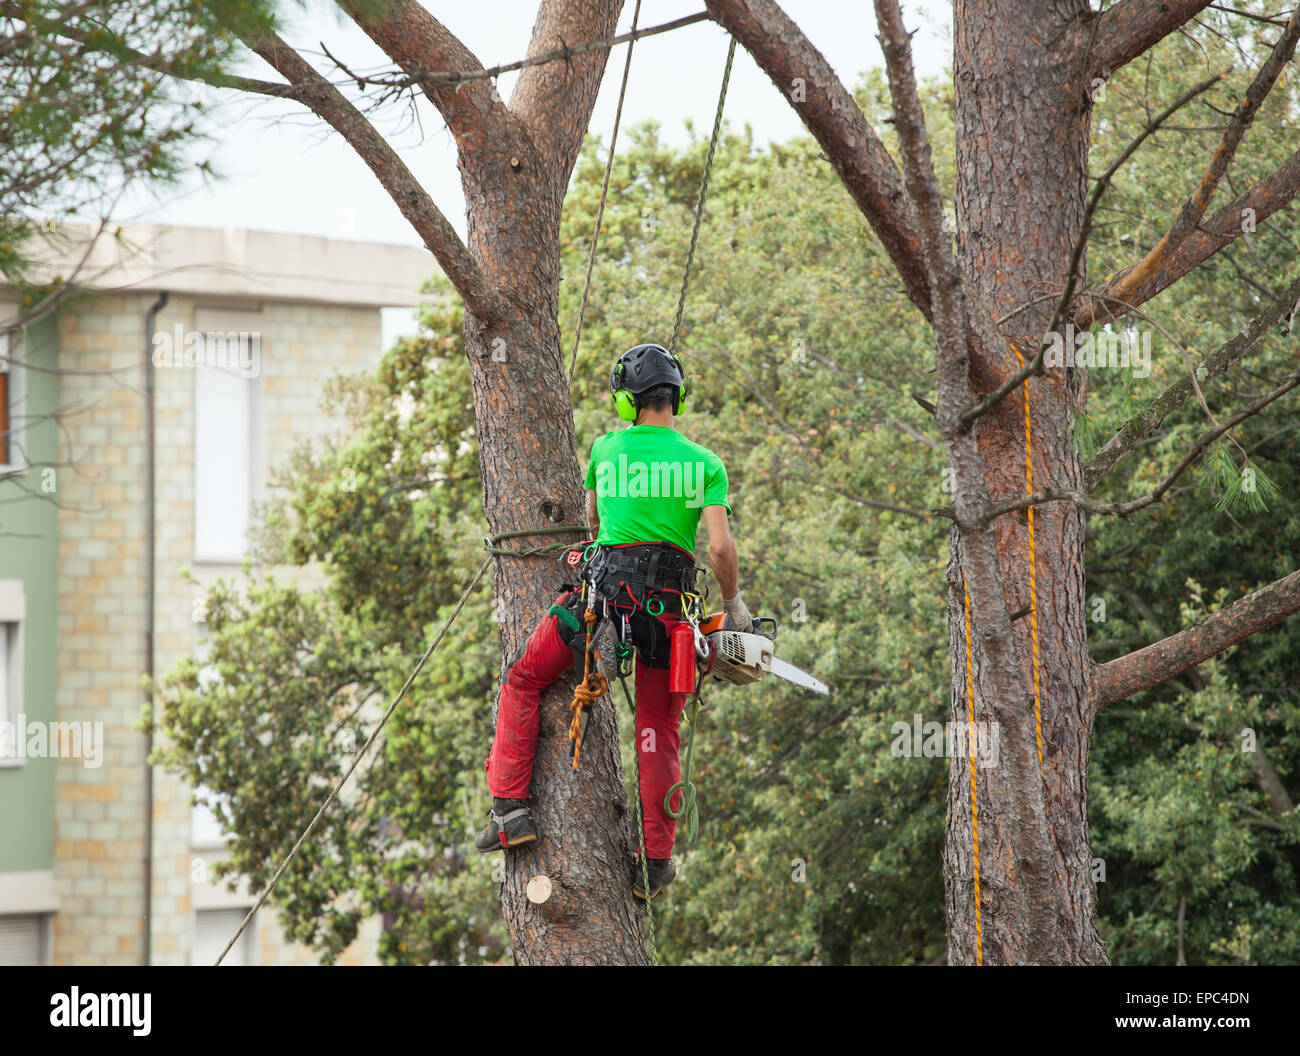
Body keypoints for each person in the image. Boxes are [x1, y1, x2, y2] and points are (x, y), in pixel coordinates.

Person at [475, 342, 752, 900]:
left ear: (627, 400)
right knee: (656, 730)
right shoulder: (705, 464)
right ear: (676, 397)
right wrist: (735, 603)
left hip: (596, 604)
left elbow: (596, 524)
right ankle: (655, 864)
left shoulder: (606, 448)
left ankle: (510, 811)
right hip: (666, 618)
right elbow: (719, 548)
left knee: (524, 678)